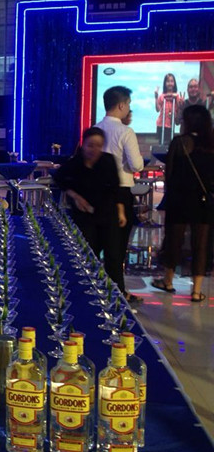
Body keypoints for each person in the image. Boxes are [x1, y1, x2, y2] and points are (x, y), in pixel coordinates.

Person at [151, 104, 214, 302]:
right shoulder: (211, 144)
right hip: (203, 201)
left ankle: (168, 281)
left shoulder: (179, 142)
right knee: (201, 244)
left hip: (179, 199)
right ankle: (196, 291)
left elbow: (169, 174)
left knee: (174, 241)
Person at [56, 127, 126, 288]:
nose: (94, 150)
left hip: (108, 214)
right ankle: (89, 290)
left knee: (113, 256)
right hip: (85, 216)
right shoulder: (75, 163)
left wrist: (121, 212)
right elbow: (59, 179)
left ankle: (117, 294)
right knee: (88, 254)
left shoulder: (108, 160)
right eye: (90, 145)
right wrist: (75, 196)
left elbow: (116, 188)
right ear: (83, 145)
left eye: (98, 146)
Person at [95, 85, 144, 304]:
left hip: (97, 194)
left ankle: (96, 286)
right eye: (129, 104)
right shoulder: (126, 132)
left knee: (97, 243)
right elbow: (136, 165)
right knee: (117, 246)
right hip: (120, 193)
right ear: (122, 105)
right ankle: (117, 292)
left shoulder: (95, 129)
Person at [155, 73, 184, 144]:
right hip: (161, 124)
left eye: (172, 81)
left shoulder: (177, 96)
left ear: (174, 83)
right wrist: (156, 97)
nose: (170, 83)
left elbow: (179, 108)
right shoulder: (162, 96)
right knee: (161, 144)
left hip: (170, 125)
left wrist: (180, 101)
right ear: (165, 83)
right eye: (168, 81)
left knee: (169, 143)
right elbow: (157, 109)